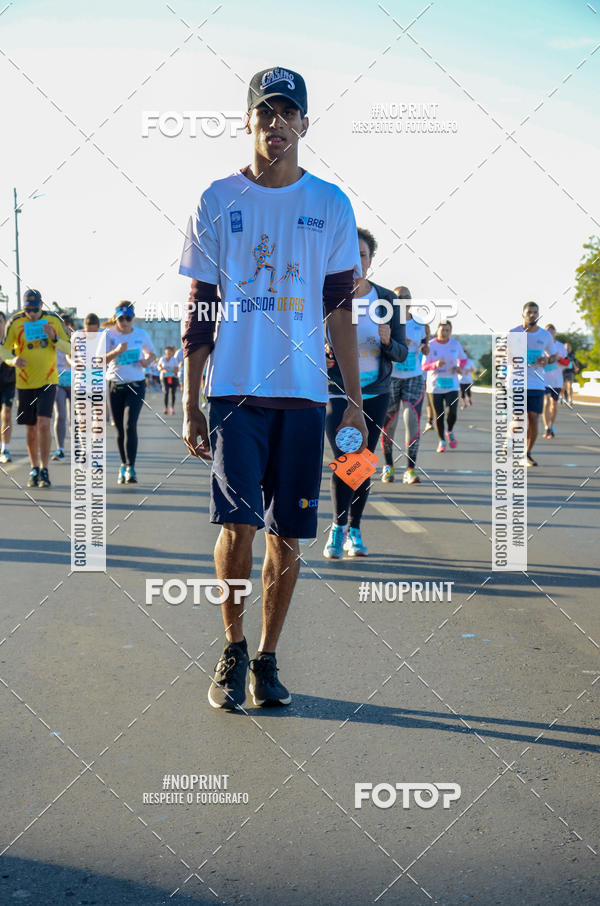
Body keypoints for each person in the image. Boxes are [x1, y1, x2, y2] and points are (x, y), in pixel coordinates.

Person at [179, 65, 366, 710]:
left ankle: (267, 659)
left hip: (306, 394)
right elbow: (201, 304)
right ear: (250, 120)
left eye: (288, 114)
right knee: (237, 528)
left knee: (287, 534)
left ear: (305, 124)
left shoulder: (331, 204)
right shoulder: (217, 199)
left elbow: (340, 309)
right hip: (234, 391)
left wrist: (355, 401)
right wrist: (191, 398)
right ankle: (230, 652)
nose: (276, 125)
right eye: (266, 114)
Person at [324, 229, 406, 556]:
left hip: (375, 392)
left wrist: (387, 341)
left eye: (362, 254)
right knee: (346, 459)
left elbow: (401, 352)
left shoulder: (386, 300)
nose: (357, 260)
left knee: (362, 463)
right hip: (338, 392)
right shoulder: (326, 295)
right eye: (350, 254)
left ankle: (353, 530)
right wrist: (323, 351)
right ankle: (337, 528)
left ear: (371, 260)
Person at [0, 289, 71, 487]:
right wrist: (13, 360)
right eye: (27, 309)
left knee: (43, 423)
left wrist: (55, 338)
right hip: (24, 382)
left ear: (41, 306)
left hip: (48, 380)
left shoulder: (53, 320)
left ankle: (45, 468)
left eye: (34, 309)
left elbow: (71, 347)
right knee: (31, 429)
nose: (31, 313)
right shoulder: (15, 322)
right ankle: (34, 468)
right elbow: (4, 348)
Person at [103, 302, 156, 484]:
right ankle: (123, 464)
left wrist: (146, 362)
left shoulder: (141, 334)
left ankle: (131, 468)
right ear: (116, 318)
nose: (124, 322)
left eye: (128, 318)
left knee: (129, 425)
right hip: (115, 385)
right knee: (119, 430)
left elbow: (152, 354)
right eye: (121, 319)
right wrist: (116, 352)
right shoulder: (109, 335)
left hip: (136, 384)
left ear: (133, 318)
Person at [380, 287, 428, 484]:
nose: (402, 300)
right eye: (398, 297)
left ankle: (410, 470)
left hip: (414, 377)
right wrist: (395, 342)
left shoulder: (419, 323)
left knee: (412, 420)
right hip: (391, 377)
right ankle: (388, 466)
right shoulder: (387, 321)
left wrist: (425, 347)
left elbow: (426, 345)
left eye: (406, 297)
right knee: (389, 424)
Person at [509, 302, 556, 467]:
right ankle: (511, 440)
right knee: (519, 419)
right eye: (529, 312)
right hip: (517, 382)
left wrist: (547, 360)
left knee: (534, 418)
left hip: (537, 383)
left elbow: (554, 356)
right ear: (523, 314)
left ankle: (526, 453)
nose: (532, 315)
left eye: (535, 312)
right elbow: (502, 355)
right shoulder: (514, 333)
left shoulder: (545, 335)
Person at [423, 321, 466, 453]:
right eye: (442, 330)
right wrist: (435, 365)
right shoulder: (431, 345)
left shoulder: (455, 344)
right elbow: (423, 366)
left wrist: (460, 368)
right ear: (437, 331)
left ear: (450, 331)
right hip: (435, 386)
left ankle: (450, 431)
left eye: (447, 330)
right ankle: (441, 440)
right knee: (439, 415)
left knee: (452, 413)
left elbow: (463, 359)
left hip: (452, 385)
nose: (445, 333)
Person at [51, 314, 75, 461]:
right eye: (63, 324)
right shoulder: (53, 340)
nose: (66, 327)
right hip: (58, 381)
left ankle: (79, 448)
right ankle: (60, 449)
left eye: (68, 324)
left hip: (75, 381)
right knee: (61, 416)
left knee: (76, 417)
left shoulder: (78, 341)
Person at [542, 324, 568, 438]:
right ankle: (546, 427)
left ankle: (551, 425)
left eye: (552, 332)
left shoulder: (561, 346)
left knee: (554, 404)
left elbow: (567, 363)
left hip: (557, 380)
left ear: (555, 333)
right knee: (546, 401)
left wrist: (558, 358)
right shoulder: (540, 345)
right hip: (544, 379)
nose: (550, 334)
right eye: (547, 332)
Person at [0, 311, 16, 464]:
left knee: (7, 414)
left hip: (8, 383)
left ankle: (5, 448)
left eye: (0, 321)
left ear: (5, 323)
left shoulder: (11, 341)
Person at [158, 345, 180, 414]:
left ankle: (172, 408)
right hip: (165, 377)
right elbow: (159, 367)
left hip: (173, 378)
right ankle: (166, 408)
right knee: (166, 392)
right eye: (167, 353)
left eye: (169, 353)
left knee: (173, 393)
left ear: (172, 353)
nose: (168, 355)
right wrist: (162, 369)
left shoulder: (174, 359)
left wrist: (169, 371)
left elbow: (177, 370)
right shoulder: (162, 359)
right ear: (165, 353)